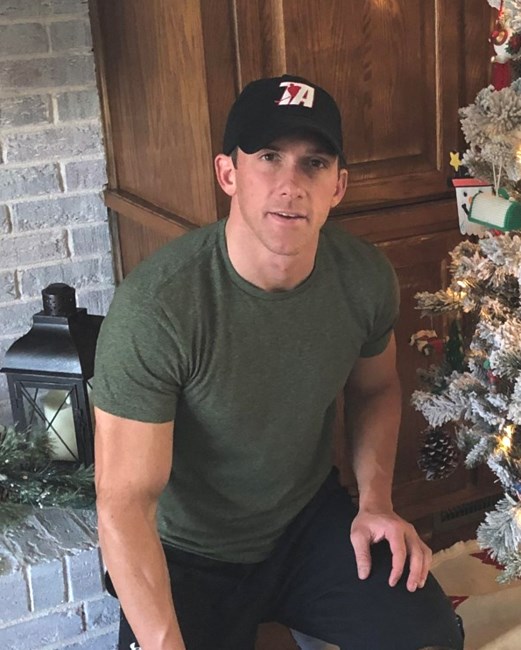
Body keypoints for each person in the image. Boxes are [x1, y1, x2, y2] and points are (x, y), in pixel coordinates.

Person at [93, 75, 464, 650]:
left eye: (313, 164)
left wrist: (375, 503)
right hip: (189, 552)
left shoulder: (364, 276)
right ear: (228, 174)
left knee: (431, 639)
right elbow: (124, 504)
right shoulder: (158, 308)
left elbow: (375, 390)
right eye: (269, 157)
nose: (291, 185)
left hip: (304, 524)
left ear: (338, 186)